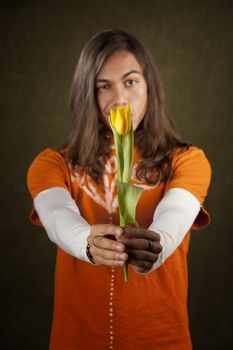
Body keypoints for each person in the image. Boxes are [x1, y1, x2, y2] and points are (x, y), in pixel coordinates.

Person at [27, 29, 211, 350]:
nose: (120, 98)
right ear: (88, 94)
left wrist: (158, 246)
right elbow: (56, 214)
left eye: (130, 81)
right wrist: (86, 243)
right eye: (103, 86)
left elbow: (176, 213)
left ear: (149, 86)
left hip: (160, 338)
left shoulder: (188, 161)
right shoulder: (52, 164)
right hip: (78, 340)